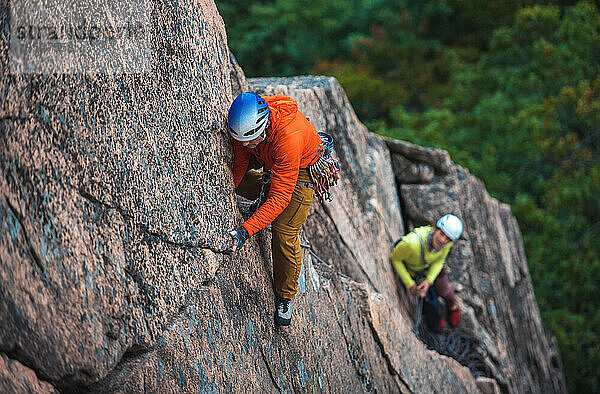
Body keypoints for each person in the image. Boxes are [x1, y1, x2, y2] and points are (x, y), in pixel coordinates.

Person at [226, 92, 323, 326]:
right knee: (247, 183)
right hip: (271, 159)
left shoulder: (289, 139)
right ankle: (259, 204)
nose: (245, 144)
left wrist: (245, 231)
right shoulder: (246, 127)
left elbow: (280, 198)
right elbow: (240, 161)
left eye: (249, 138)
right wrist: (229, 190)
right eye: (241, 139)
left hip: (301, 171)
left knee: (284, 232)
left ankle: (286, 296)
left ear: (263, 126)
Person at [390, 214, 463, 329]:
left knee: (445, 290)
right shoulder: (411, 243)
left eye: (448, 239)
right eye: (442, 234)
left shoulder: (446, 245)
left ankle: (453, 306)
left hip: (428, 268)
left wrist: (429, 281)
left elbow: (439, 261)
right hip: (414, 271)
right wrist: (410, 284)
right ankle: (436, 318)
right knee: (430, 300)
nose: (443, 240)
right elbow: (395, 258)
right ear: (435, 228)